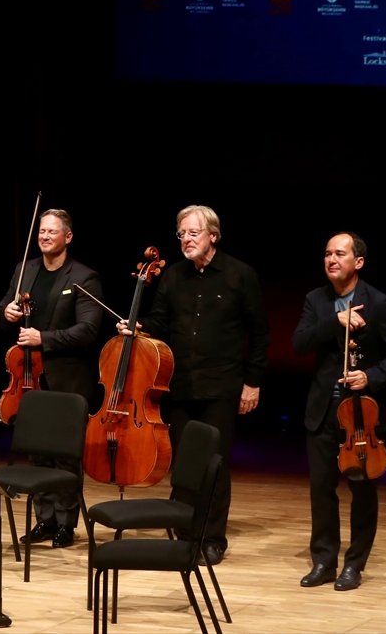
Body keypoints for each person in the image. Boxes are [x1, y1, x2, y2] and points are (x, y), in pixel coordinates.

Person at [118, 204, 269, 565]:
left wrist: (253, 383)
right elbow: (159, 319)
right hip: (179, 384)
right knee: (185, 462)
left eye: (193, 233)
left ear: (212, 236)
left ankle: (212, 538)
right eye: (182, 233)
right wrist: (140, 327)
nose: (186, 239)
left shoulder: (240, 275)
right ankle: (186, 533)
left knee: (214, 464)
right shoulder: (172, 277)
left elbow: (260, 333)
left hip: (222, 385)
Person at [291, 232, 386, 592]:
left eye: (339, 254)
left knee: (362, 489)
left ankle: (354, 564)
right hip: (323, 411)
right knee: (321, 490)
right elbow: (299, 344)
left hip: (363, 415)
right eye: (327, 253)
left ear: (357, 262)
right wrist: (335, 320)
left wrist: (370, 376)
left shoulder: (378, 303)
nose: (331, 259)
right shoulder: (316, 300)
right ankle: (324, 560)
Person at [0, 208, 102, 548]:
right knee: (37, 453)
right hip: (27, 377)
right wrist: (6, 311)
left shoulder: (84, 277)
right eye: (41, 230)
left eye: (51, 231)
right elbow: (1, 313)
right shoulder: (23, 271)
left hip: (66, 380)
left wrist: (46, 338)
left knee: (64, 456)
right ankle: (44, 519)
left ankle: (66, 523)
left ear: (67, 237)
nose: (43, 236)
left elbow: (88, 329)